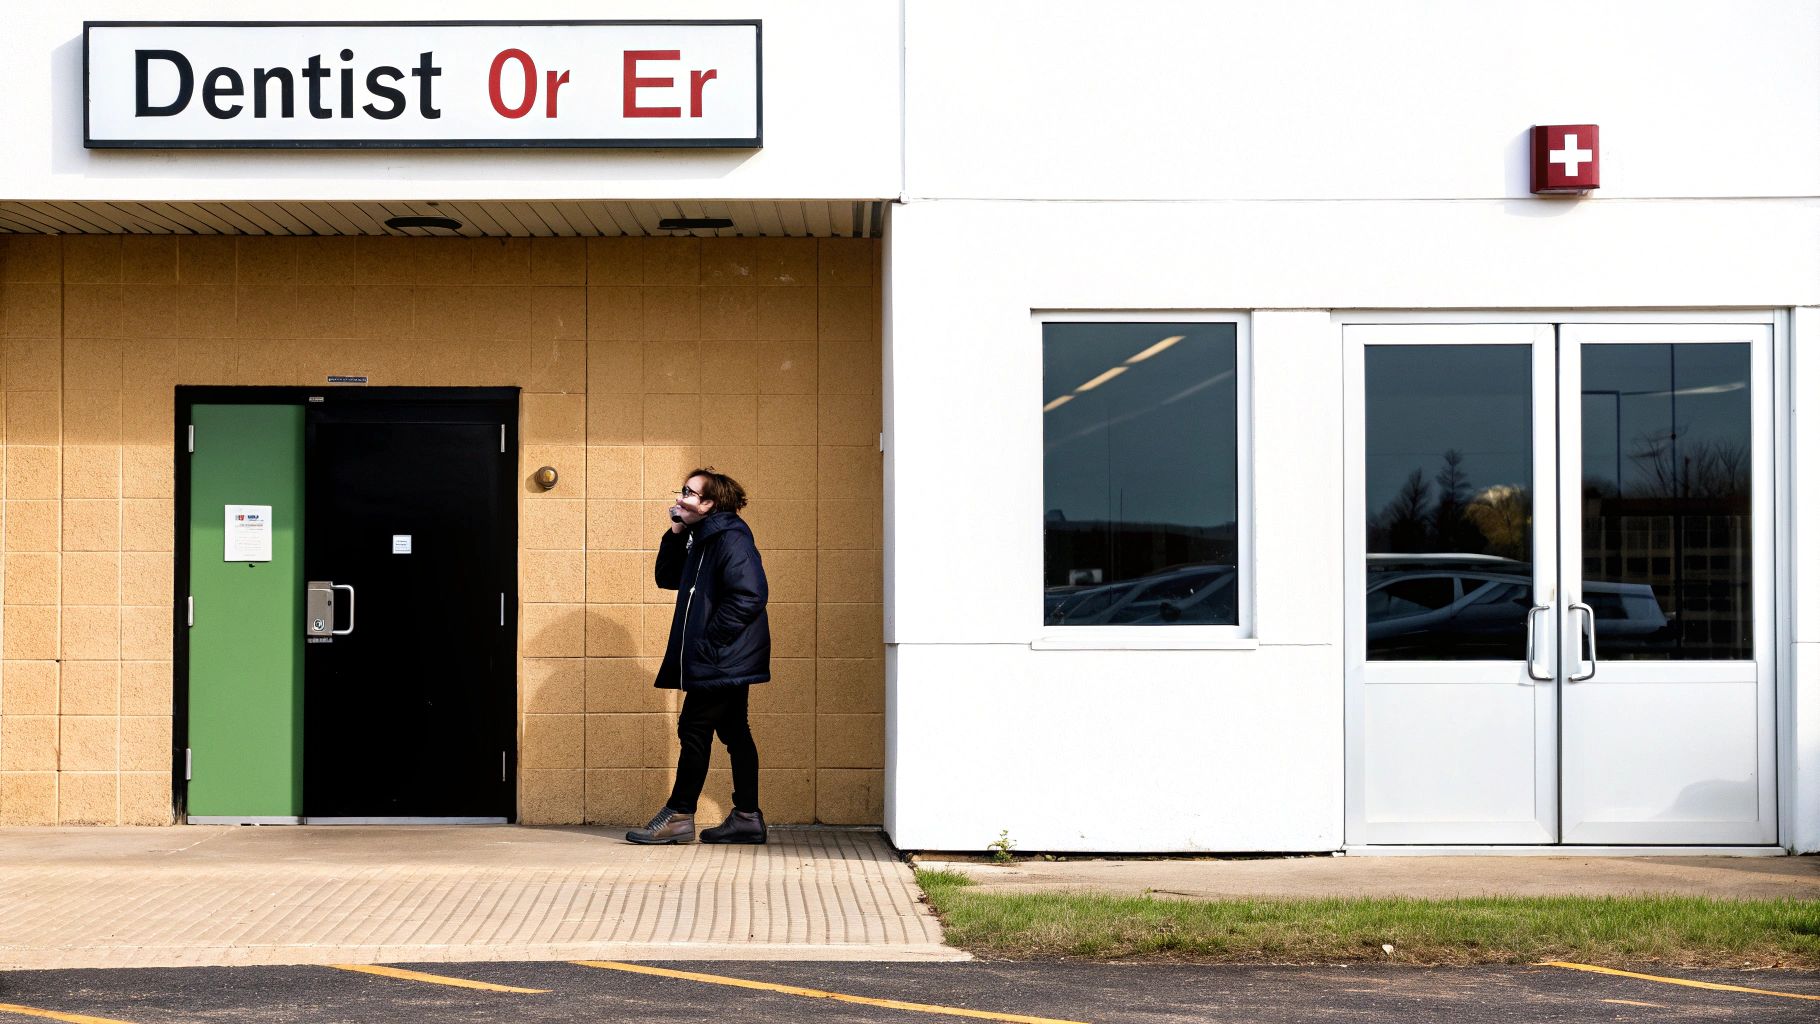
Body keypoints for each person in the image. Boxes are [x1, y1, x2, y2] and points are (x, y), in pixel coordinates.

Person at [625, 468, 771, 845]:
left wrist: (710, 643)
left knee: (694, 728)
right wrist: (676, 531)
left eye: (688, 494)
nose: (679, 498)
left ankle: (679, 815)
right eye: (682, 491)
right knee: (735, 731)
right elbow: (667, 576)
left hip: (722, 657)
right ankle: (747, 817)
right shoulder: (701, 539)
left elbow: (749, 596)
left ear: (710, 503)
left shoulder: (731, 540)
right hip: (724, 657)